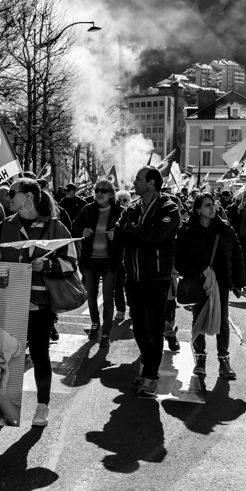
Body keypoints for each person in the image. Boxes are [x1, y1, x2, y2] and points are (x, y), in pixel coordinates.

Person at [0, 178, 77, 427]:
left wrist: (47, 265)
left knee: (40, 355)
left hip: (41, 305)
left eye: (13, 193)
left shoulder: (56, 227)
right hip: (10, 303)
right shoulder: (4, 226)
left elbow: (72, 262)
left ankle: (42, 406)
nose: (8, 198)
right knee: (4, 356)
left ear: (28, 197)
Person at [116, 167, 181, 398]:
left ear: (152, 183)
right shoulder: (131, 207)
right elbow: (118, 236)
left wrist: (132, 231)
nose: (134, 182)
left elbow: (158, 234)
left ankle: (151, 376)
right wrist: (140, 233)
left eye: (138, 179)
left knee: (153, 330)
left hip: (156, 278)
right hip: (133, 277)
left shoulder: (169, 207)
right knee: (140, 328)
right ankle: (149, 367)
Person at [177, 193, 245, 378]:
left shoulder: (225, 228)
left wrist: (238, 283)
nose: (212, 208)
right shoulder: (186, 229)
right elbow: (178, 257)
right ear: (197, 209)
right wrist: (196, 273)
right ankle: (200, 359)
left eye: (213, 205)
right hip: (198, 281)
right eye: (207, 205)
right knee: (198, 319)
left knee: (222, 321)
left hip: (221, 282)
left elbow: (237, 255)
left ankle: (224, 360)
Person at [75, 181, 123, 348]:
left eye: (104, 190)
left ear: (111, 194)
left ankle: (106, 333)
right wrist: (82, 231)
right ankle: (95, 324)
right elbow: (75, 225)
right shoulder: (88, 209)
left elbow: (128, 233)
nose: (99, 193)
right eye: (97, 190)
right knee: (91, 295)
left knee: (108, 298)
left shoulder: (120, 212)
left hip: (110, 261)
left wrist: (117, 235)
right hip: (91, 260)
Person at [113, 189, 132, 320]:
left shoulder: (132, 213)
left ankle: (132, 306)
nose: (121, 202)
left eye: (124, 200)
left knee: (130, 284)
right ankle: (120, 309)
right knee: (118, 285)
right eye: (119, 199)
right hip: (116, 255)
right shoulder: (112, 213)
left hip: (130, 255)